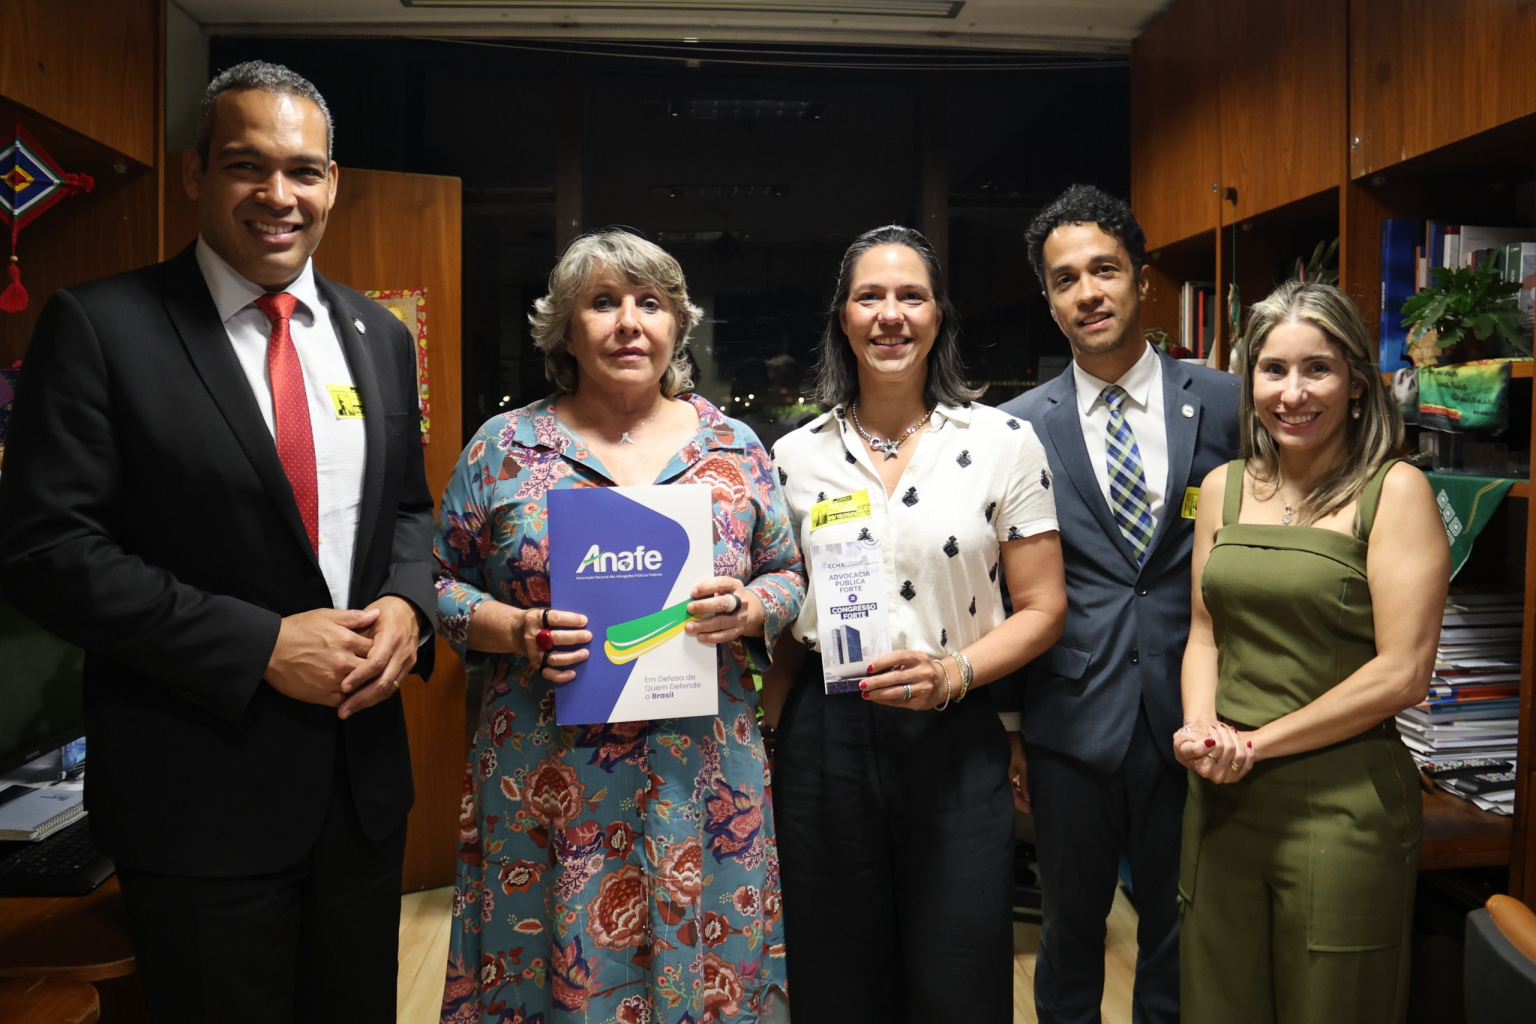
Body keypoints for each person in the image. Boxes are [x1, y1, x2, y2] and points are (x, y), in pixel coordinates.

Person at [0, 62, 435, 1022]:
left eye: (303, 170)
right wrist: (261, 644)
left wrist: (410, 603)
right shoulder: (102, 326)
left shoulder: (378, 335)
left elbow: (408, 509)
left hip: (361, 790)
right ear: (196, 172)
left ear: (333, 183)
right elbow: (47, 552)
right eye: (247, 165)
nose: (279, 195)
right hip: (198, 798)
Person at [432, 230, 805, 1024]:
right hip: (547, 778)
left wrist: (748, 608)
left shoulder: (733, 447)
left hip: (701, 776)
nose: (629, 323)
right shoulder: (503, 449)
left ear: (677, 325)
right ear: (565, 330)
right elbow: (436, 585)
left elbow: (786, 573)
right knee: (555, 971)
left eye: (651, 304)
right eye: (603, 303)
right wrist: (514, 629)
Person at [766, 224, 1067, 1023]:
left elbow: (1044, 607)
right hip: (824, 740)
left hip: (954, 732)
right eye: (869, 297)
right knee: (834, 983)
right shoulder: (792, 457)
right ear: (843, 317)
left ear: (939, 315)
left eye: (912, 296)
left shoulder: (1004, 443)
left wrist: (953, 673)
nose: (890, 314)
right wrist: (768, 733)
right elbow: (785, 618)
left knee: (957, 979)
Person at [997, 184, 1240, 1024]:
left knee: (1180, 928)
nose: (1088, 293)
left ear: (1141, 279)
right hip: (1071, 719)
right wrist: (1013, 730)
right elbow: (1006, 588)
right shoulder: (1015, 429)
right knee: (1070, 932)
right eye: (1065, 280)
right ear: (1049, 300)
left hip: (1198, 712)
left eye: (1104, 270)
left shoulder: (1225, 401)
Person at [1175, 281, 1449, 1024]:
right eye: (1273, 369)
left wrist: (1256, 744)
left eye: (1317, 369)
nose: (1291, 394)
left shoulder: (1396, 492)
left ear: (1356, 381)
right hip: (1222, 799)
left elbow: (1403, 672)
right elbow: (1205, 631)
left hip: (1342, 806)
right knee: (1216, 1002)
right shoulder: (1224, 487)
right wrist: (1201, 728)